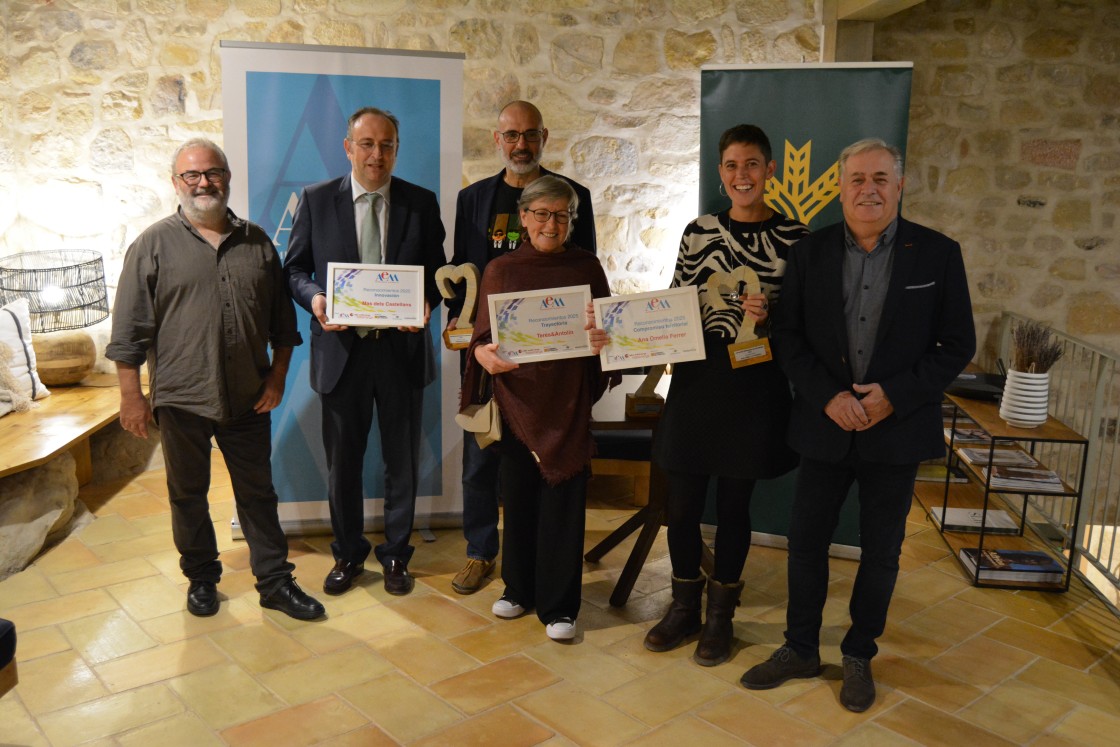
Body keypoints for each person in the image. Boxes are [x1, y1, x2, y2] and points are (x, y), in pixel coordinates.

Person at [740, 138, 976, 712]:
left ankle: (858, 653)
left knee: (882, 552)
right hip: (825, 426)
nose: (868, 190)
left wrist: (894, 396)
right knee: (805, 544)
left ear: (899, 186)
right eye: (857, 180)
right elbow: (787, 336)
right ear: (840, 189)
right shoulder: (810, 252)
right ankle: (800, 648)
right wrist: (827, 397)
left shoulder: (938, 254)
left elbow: (957, 344)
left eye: (880, 179)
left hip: (896, 430)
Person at [107, 138, 325, 621]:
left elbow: (283, 327)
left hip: (249, 396)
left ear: (227, 177)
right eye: (192, 175)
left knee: (258, 494)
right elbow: (128, 332)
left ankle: (274, 581)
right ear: (176, 183)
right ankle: (201, 578)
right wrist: (131, 397)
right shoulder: (151, 245)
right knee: (187, 495)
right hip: (181, 398)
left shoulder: (258, 242)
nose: (203, 182)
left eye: (212, 173)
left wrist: (277, 380)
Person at [644, 125, 805, 667]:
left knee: (735, 506)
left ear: (770, 170)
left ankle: (721, 618)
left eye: (753, 164)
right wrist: (630, 332)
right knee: (683, 504)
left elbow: (807, 320)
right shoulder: (698, 231)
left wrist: (773, 315)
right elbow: (674, 299)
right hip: (697, 379)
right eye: (733, 165)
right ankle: (683, 607)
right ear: (720, 172)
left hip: (755, 385)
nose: (743, 175)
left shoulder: (796, 238)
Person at [285, 107, 447, 597]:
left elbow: (438, 273)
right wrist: (316, 299)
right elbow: (294, 270)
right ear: (348, 148)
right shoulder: (316, 200)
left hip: (401, 352)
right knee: (344, 466)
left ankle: (396, 554)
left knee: (402, 463)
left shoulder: (421, 202)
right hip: (342, 354)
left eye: (387, 145)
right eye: (368, 144)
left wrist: (426, 301)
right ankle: (348, 554)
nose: (377, 154)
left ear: (397, 150)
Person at [446, 100, 597, 595]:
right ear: (498, 140)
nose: (521, 144)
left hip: (552, 361)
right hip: (491, 356)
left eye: (530, 134)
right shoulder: (473, 199)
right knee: (481, 458)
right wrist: (468, 341)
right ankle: (480, 552)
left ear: (543, 137)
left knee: (540, 464)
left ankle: (542, 564)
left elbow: (583, 270)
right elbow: (463, 276)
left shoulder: (572, 196)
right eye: (511, 135)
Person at [462, 175, 615, 641]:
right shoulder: (500, 270)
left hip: (566, 402)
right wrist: (482, 354)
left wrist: (603, 338)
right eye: (542, 214)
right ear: (524, 218)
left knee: (564, 506)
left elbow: (608, 332)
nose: (552, 224)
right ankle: (518, 589)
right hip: (516, 403)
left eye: (562, 215)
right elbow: (480, 338)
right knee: (520, 499)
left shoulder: (587, 267)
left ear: (572, 220)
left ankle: (560, 606)